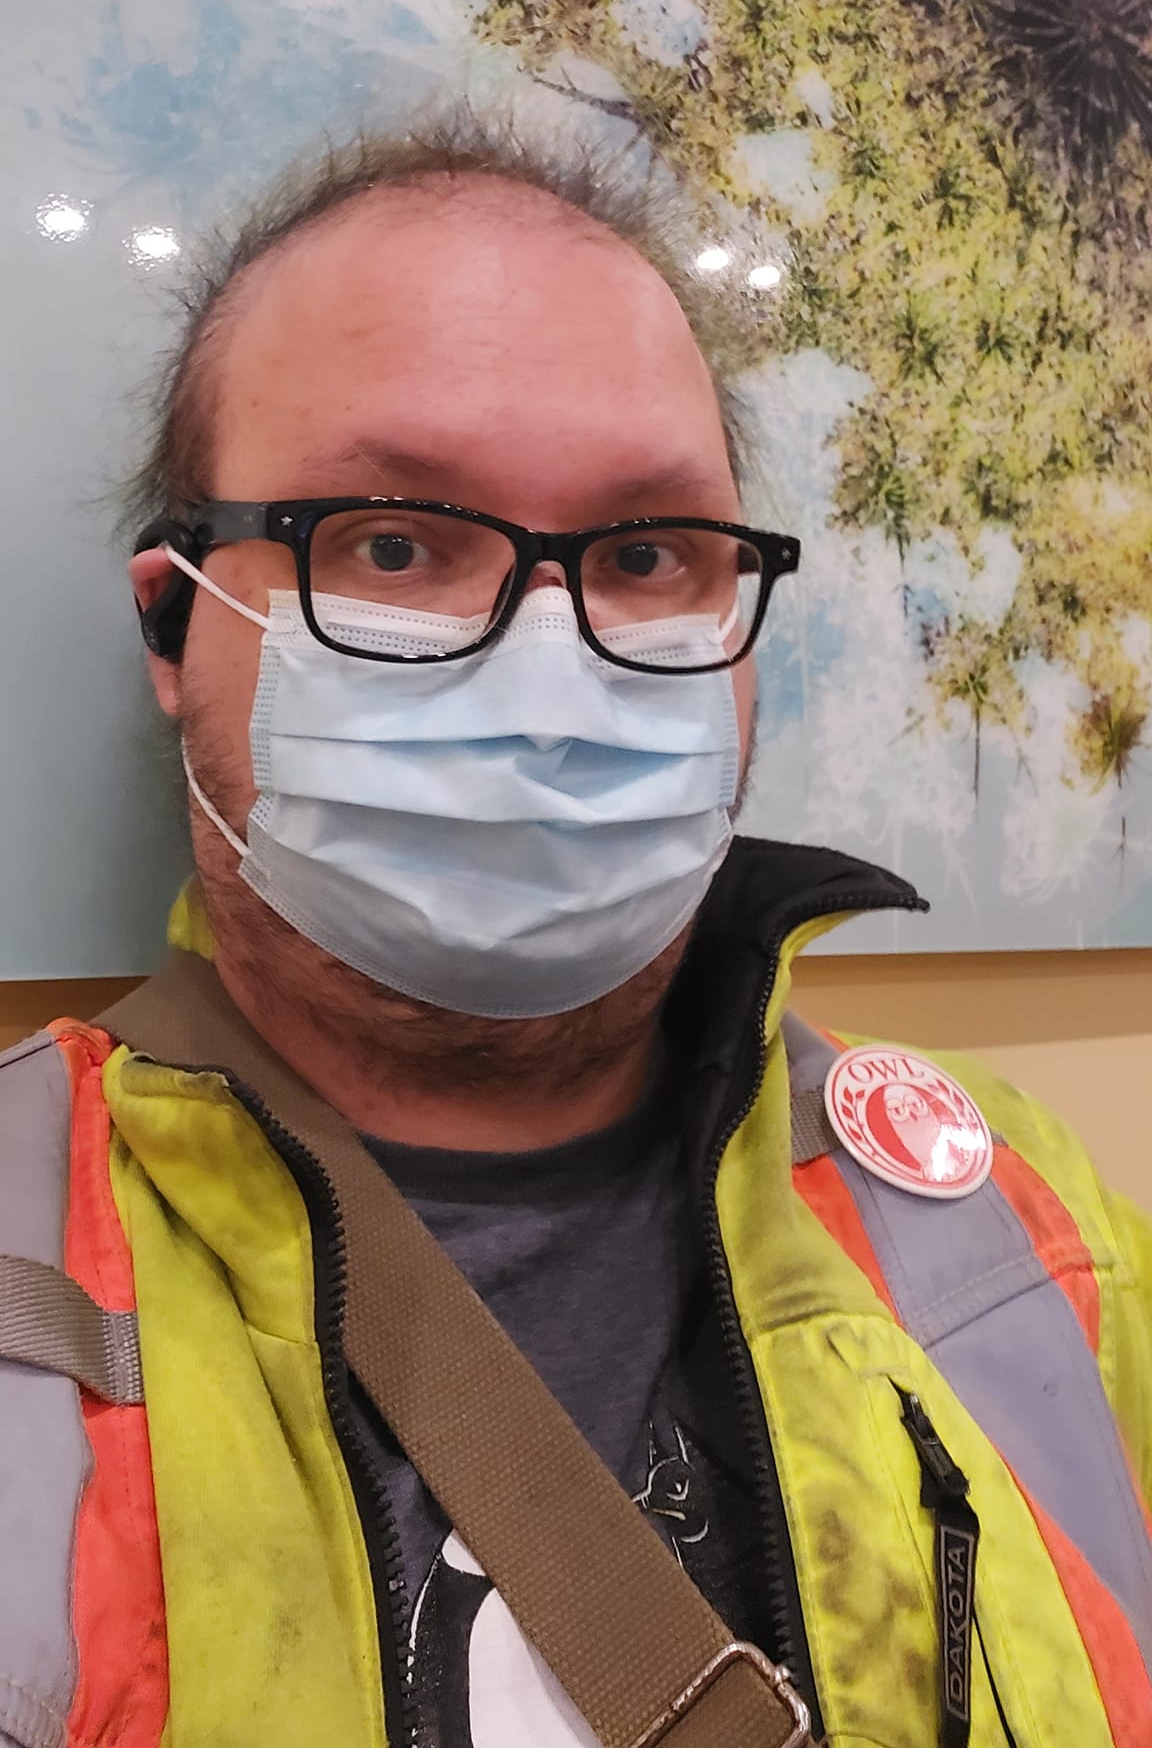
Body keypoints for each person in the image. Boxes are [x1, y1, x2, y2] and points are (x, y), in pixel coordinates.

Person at [1, 111, 1150, 1748]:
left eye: (648, 554)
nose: (553, 676)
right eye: (394, 542)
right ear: (176, 624)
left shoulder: (1027, 1230)